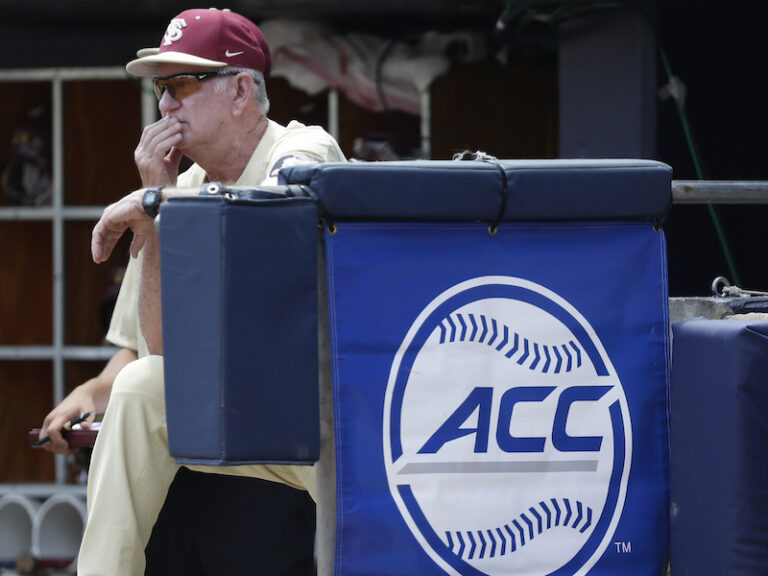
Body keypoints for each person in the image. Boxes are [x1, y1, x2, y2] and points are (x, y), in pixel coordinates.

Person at [37, 8, 345, 575]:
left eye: (181, 84)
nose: (165, 105)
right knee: (138, 387)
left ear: (241, 92)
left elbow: (272, 221)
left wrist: (158, 202)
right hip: (251, 417)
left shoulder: (301, 148)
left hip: (330, 416)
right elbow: (161, 357)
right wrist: (156, 209)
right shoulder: (183, 187)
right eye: (161, 88)